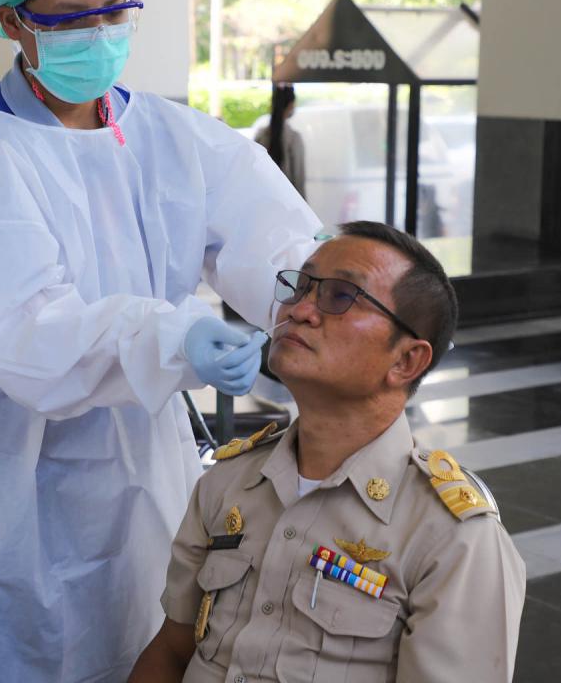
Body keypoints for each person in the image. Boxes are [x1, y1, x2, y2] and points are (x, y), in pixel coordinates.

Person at [0, 0, 320, 683]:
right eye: (69, 20)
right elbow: (29, 334)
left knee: (141, 630)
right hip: (2, 461)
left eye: (115, 10)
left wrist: (322, 298)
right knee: (10, 650)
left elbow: (273, 238)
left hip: (135, 449)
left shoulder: (169, 136)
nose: (99, 34)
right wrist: (174, 338)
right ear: (14, 22)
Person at [131, 221, 526, 683]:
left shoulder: (453, 539)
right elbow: (172, 651)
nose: (299, 310)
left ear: (405, 361)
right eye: (301, 287)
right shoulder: (227, 482)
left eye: (340, 296)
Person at [254, 84, 307, 199]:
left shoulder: (260, 136)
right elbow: (298, 179)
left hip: (263, 200)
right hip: (286, 202)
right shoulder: (294, 138)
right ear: (291, 106)